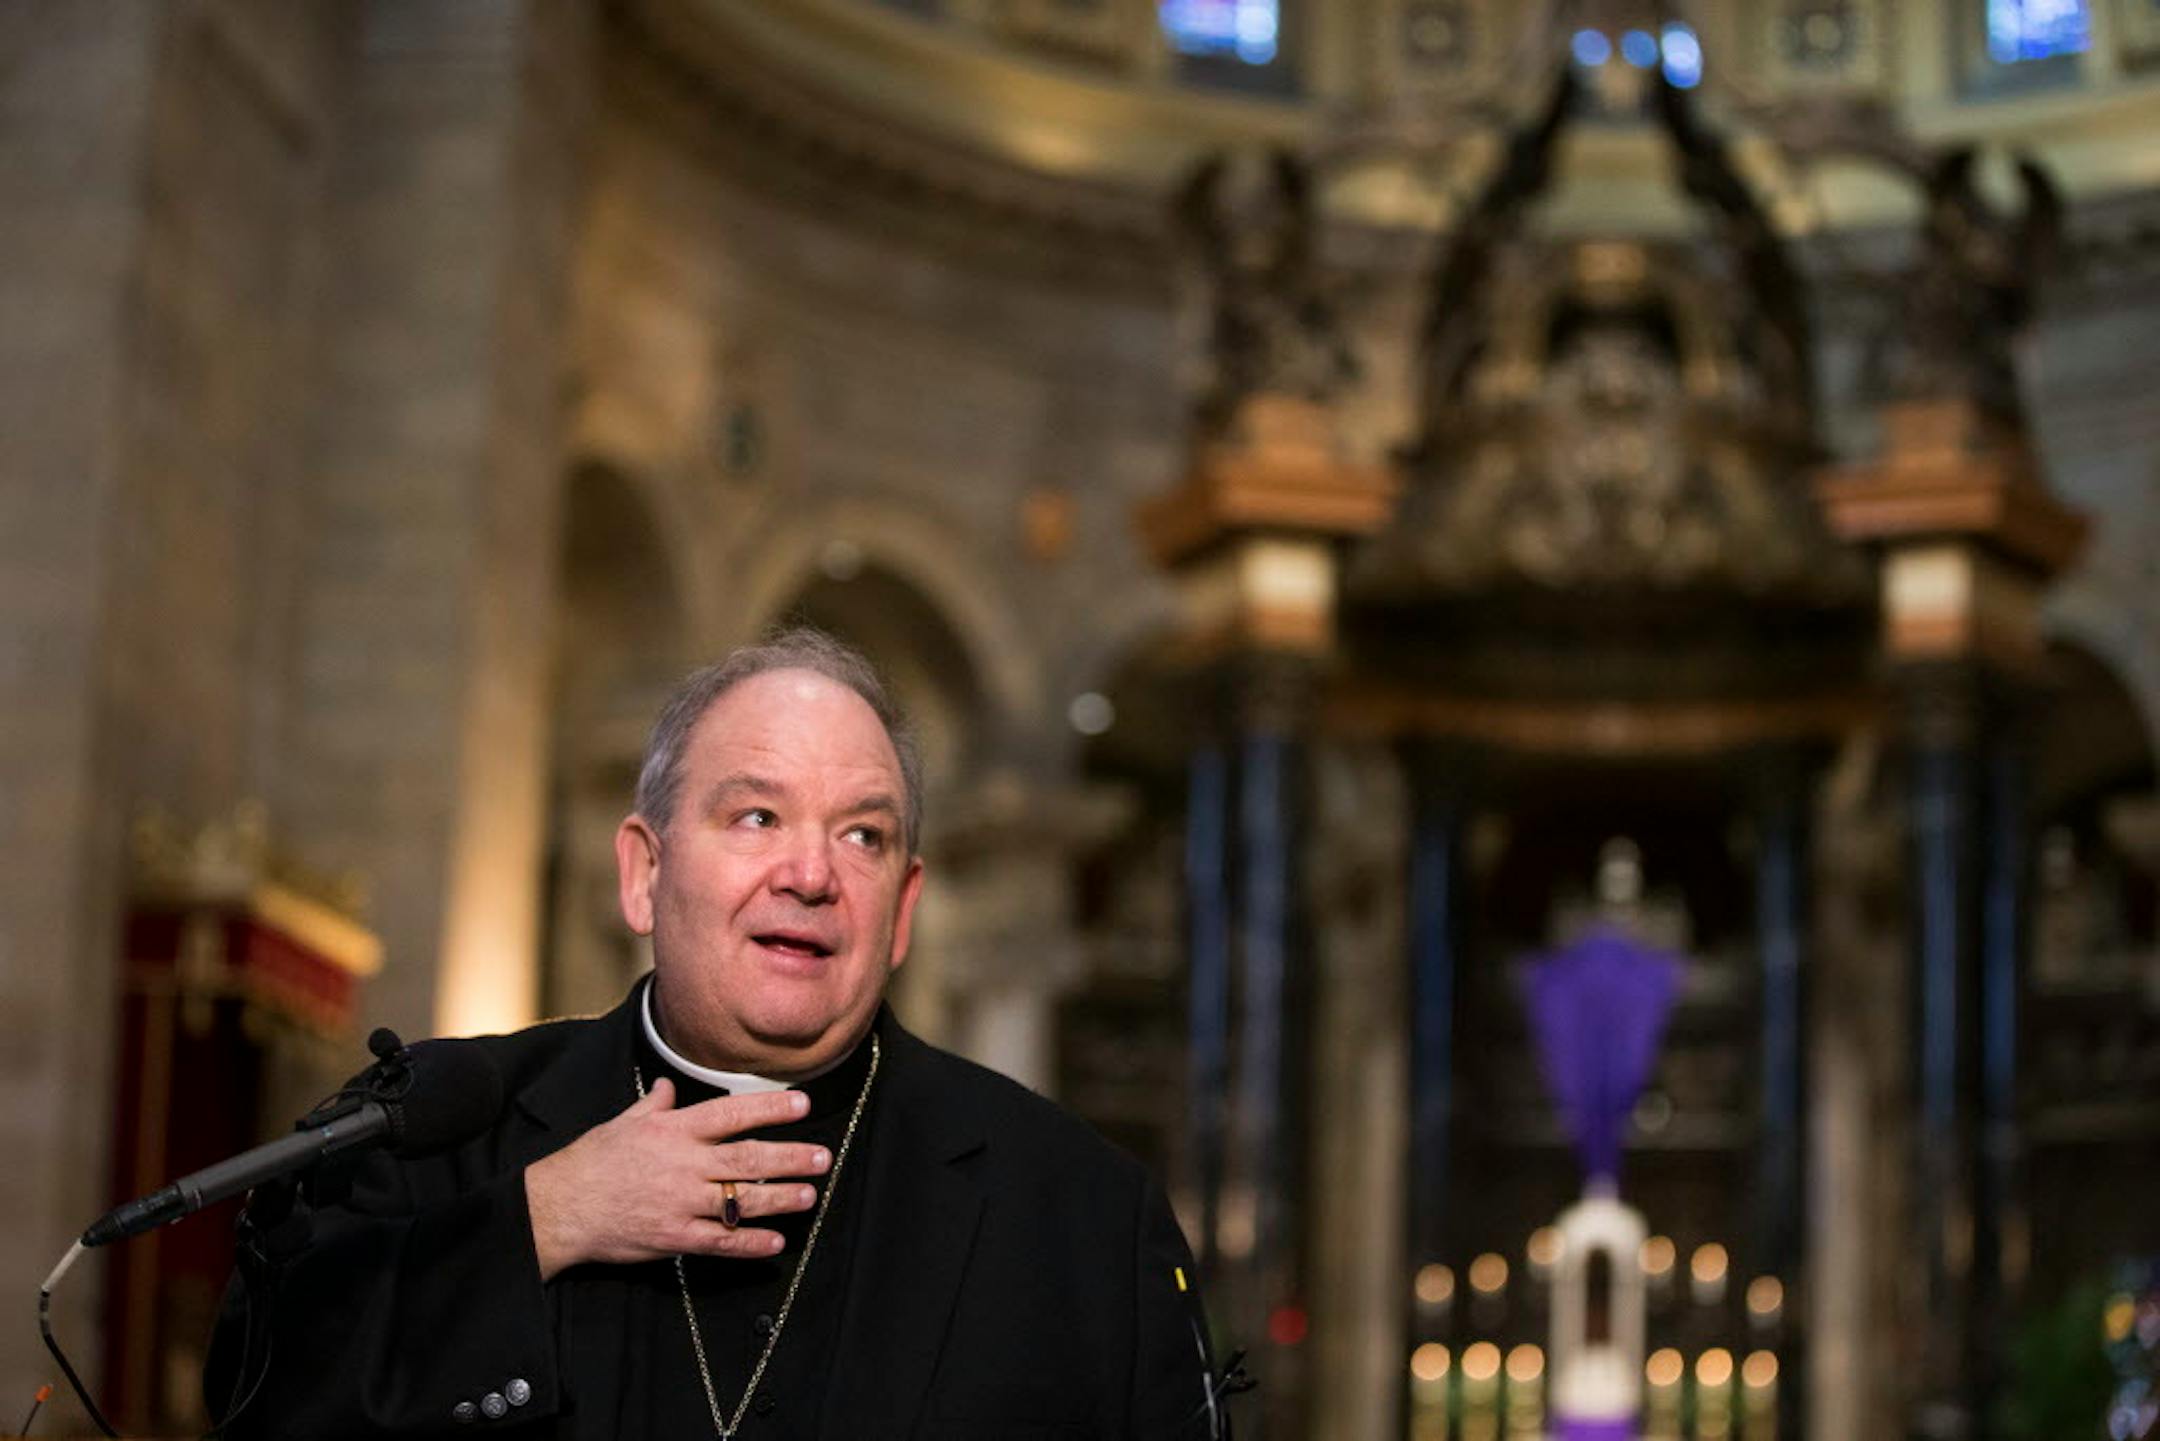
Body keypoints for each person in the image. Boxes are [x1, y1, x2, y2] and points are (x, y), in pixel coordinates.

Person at [206, 628, 1227, 1439]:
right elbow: (260, 1395)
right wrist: (544, 1220)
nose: (812, 874)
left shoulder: (1081, 1213)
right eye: (755, 818)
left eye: (862, 835)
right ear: (644, 872)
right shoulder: (435, 1129)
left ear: (904, 908)